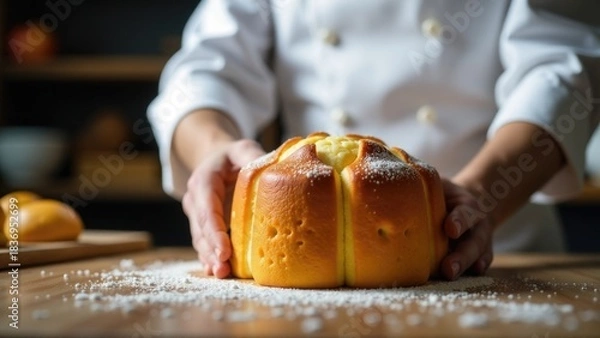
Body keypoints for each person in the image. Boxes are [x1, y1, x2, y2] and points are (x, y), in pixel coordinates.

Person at [148, 1, 600, 281]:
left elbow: (563, 67)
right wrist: (213, 147)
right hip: (306, 249)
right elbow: (206, 67)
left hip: (494, 254)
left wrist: (479, 196)